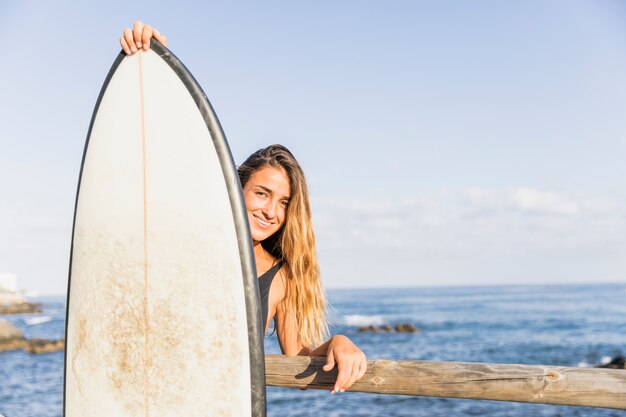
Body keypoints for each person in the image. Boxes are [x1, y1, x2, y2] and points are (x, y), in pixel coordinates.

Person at [120, 22, 367, 394]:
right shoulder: (194, 244)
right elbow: (155, 164)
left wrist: (339, 343)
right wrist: (151, 67)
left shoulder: (280, 277)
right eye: (262, 194)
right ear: (238, 189)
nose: (271, 211)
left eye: (283, 203)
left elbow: (297, 356)